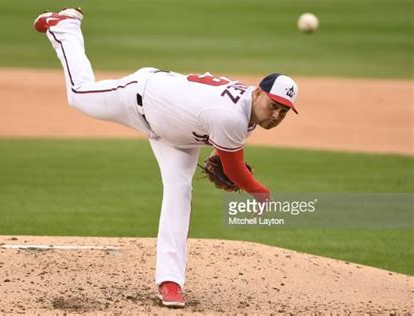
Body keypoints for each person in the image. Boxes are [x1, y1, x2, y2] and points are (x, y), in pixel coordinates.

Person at [34, 8, 299, 308]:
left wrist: (220, 157)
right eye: (274, 105)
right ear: (258, 93)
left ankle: (170, 282)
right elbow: (235, 168)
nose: (276, 115)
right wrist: (260, 193)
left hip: (178, 140)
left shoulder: (247, 113)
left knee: (179, 192)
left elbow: (218, 135)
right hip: (141, 98)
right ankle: (66, 28)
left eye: (283, 111)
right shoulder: (232, 116)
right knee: (78, 94)